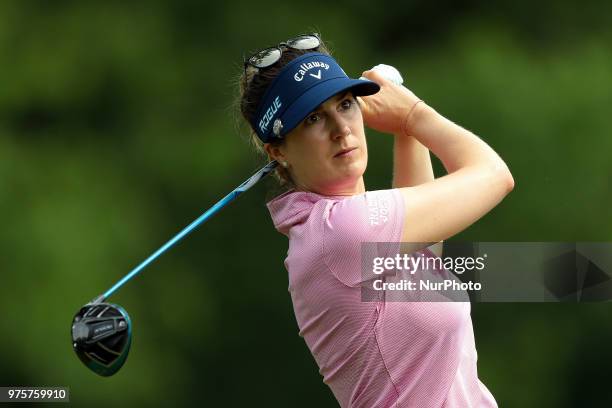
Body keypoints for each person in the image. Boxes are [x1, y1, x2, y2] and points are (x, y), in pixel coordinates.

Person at [237, 33, 513, 408]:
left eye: (346, 104)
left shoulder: (334, 230)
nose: (341, 129)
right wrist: (415, 113)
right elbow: (495, 175)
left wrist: (405, 130)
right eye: (314, 117)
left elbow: (426, 252)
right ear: (277, 151)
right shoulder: (342, 230)